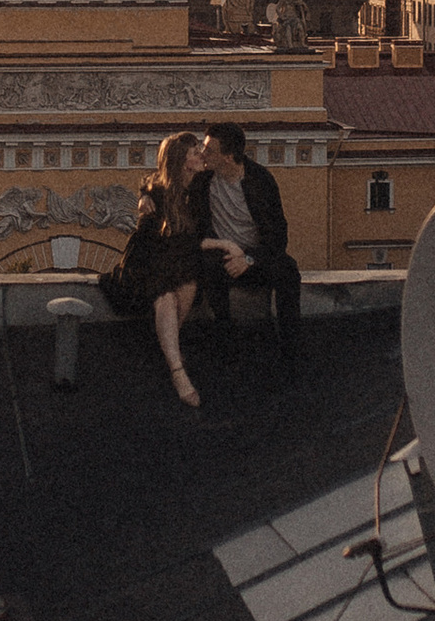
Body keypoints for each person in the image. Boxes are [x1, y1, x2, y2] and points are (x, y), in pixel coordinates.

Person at [116, 128, 212, 408]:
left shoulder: (201, 186)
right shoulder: (158, 192)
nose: (201, 156)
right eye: (196, 153)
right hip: (148, 262)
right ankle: (177, 371)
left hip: (180, 261)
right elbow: (147, 239)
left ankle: (167, 350)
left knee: (188, 284)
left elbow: (195, 237)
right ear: (183, 160)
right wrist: (145, 195)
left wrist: (227, 245)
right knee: (166, 297)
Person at [194, 122, 301, 372]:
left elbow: (278, 238)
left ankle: (291, 353)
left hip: (255, 259)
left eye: (209, 150)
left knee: (288, 270)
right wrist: (146, 193)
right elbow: (166, 179)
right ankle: (225, 348)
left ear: (229, 158)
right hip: (220, 258)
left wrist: (249, 259)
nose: (202, 154)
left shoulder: (260, 181)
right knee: (208, 268)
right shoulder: (203, 179)